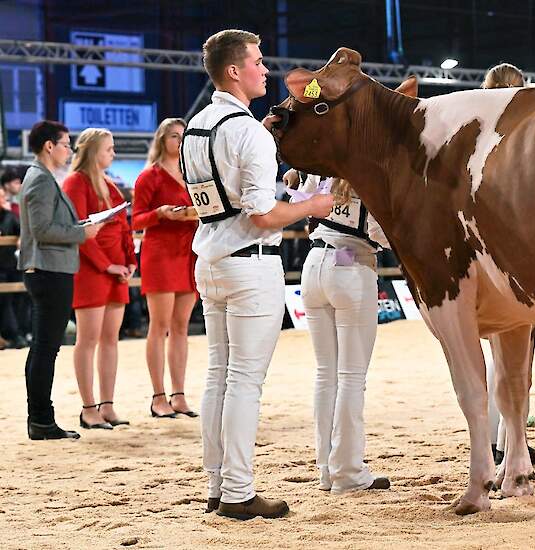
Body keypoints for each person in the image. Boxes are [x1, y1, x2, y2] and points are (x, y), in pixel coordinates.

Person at [184, 29, 333, 520]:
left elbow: (220, 194)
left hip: (211, 257)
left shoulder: (196, 126)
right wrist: (314, 204)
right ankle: (239, 491)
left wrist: (261, 137)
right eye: (257, 61)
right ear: (234, 71)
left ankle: (217, 484)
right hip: (250, 262)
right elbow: (264, 215)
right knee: (245, 381)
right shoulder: (244, 130)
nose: (265, 69)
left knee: (219, 377)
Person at [285, 170, 391, 493]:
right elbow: (383, 234)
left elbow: (298, 200)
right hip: (350, 263)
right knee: (351, 377)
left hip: (313, 263)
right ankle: (348, 472)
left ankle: (326, 470)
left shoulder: (319, 171)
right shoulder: (369, 177)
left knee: (325, 374)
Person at [479, 63, 535, 467]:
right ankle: (511, 442)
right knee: (517, 360)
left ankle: (499, 441)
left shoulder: (474, 131)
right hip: (516, 258)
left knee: (498, 359)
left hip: (486, 255)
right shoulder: (520, 136)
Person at [19, 120, 103, 440]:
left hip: (49, 267)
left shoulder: (41, 177)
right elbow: (42, 230)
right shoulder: (41, 179)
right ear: (49, 146)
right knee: (45, 348)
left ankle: (40, 418)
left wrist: (78, 226)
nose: (70, 150)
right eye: (66, 144)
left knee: (43, 346)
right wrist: (82, 233)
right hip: (49, 269)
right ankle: (41, 418)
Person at [63, 128, 136, 431]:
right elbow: (79, 231)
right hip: (92, 270)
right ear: (93, 151)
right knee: (88, 339)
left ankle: (107, 404)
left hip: (116, 270)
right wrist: (107, 266)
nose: (113, 154)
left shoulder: (111, 186)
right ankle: (88, 407)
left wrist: (130, 260)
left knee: (110, 340)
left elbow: (123, 227)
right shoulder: (75, 183)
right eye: (109, 149)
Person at [132, 117, 199, 418]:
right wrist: (160, 213)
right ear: (162, 140)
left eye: (183, 136)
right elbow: (135, 219)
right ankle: (158, 396)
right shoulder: (150, 176)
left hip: (189, 252)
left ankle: (179, 395)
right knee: (159, 326)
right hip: (160, 254)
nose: (179, 141)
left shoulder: (193, 175)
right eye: (174, 136)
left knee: (182, 328)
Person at [0, 185, 29, 349]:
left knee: (20, 298)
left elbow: (24, 231)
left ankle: (19, 334)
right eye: (1, 197)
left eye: (4, 197)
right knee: (5, 300)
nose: (3, 200)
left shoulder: (10, 217)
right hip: (1, 271)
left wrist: (20, 238)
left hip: (12, 266)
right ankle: (12, 334)